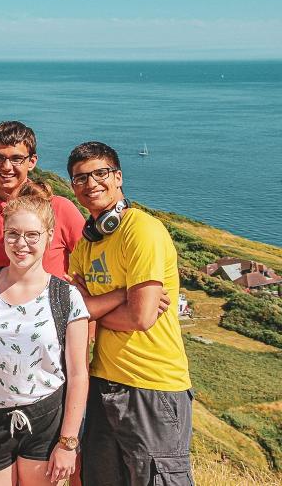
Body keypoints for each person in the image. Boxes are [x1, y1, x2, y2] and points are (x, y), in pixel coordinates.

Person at [65, 142, 193, 485]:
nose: (90, 183)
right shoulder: (85, 244)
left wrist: (94, 309)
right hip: (103, 382)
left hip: (152, 386)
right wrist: (123, 296)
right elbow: (75, 313)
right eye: (80, 178)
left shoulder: (142, 231)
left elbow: (140, 318)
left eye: (100, 173)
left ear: (118, 177)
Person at [0, 182, 89, 485]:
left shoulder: (66, 297)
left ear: (49, 237)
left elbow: (79, 373)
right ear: (3, 234)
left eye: (32, 235)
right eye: (13, 234)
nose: (21, 243)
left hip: (45, 421)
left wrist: (68, 443)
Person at [0, 120, 85, 277]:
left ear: (31, 162)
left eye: (16, 158)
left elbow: (94, 261)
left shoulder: (60, 209)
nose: (7, 167)